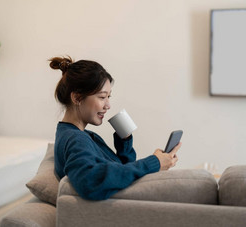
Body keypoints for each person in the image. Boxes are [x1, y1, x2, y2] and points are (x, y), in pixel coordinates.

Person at [50, 56, 181, 200]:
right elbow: (90, 182)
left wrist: (124, 142)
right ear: (77, 98)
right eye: (102, 97)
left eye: (108, 97)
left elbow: (121, 172)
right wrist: (154, 162)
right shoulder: (76, 139)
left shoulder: (81, 135)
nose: (108, 106)